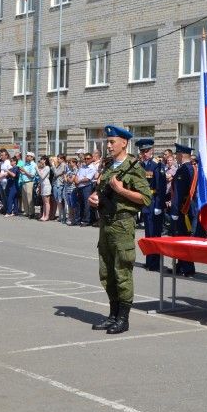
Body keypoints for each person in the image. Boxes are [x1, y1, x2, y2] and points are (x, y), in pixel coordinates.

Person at [88, 126, 151, 334]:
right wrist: (95, 199)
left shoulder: (133, 167)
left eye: (112, 142)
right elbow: (101, 192)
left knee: (122, 271)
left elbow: (145, 198)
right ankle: (112, 314)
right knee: (106, 272)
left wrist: (122, 190)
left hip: (123, 225)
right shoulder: (108, 166)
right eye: (107, 142)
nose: (108, 145)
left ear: (124, 143)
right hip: (105, 223)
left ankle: (123, 319)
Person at [169, 144, 203, 277]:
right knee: (184, 238)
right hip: (190, 208)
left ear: (181, 155)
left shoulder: (184, 170)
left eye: (177, 154)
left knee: (182, 238)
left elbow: (178, 192)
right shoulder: (193, 168)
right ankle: (182, 265)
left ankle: (187, 267)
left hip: (184, 210)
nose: (176, 157)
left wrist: (175, 211)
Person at [138, 139, 166, 270]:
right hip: (146, 203)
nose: (144, 154)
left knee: (155, 235)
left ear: (151, 151)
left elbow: (161, 186)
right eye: (142, 152)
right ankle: (149, 261)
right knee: (148, 235)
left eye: (146, 151)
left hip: (154, 202)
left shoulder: (157, 165)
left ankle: (155, 263)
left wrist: (159, 205)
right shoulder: (141, 165)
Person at [18, 152, 37, 218]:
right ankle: (27, 212)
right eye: (26, 156)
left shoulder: (33, 164)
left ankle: (31, 213)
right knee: (24, 198)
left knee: (29, 198)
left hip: (29, 182)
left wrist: (24, 171)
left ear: (32, 157)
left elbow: (32, 175)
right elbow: (21, 170)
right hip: (24, 182)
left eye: (28, 156)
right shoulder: (25, 163)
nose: (26, 157)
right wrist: (22, 171)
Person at [37, 155, 52, 221]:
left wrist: (37, 169)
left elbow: (42, 176)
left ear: (45, 160)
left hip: (46, 185)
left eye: (41, 159)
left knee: (46, 202)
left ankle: (47, 216)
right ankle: (43, 215)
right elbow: (40, 178)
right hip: (42, 185)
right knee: (43, 202)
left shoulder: (47, 167)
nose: (40, 161)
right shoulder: (43, 168)